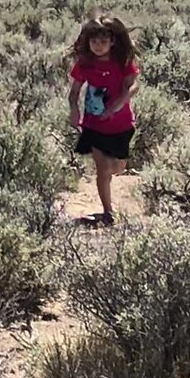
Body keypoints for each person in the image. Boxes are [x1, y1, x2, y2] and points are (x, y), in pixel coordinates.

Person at [68, 13, 140, 227]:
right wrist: (74, 110)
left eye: (103, 41)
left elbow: (133, 85)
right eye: (93, 41)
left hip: (121, 123)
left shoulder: (122, 62)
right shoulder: (85, 64)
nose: (98, 46)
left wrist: (119, 103)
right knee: (103, 170)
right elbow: (74, 92)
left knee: (117, 167)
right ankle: (108, 212)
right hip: (94, 123)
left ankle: (109, 200)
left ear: (112, 42)